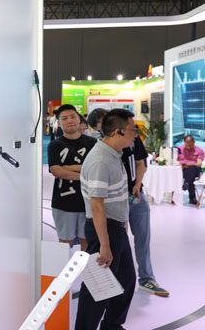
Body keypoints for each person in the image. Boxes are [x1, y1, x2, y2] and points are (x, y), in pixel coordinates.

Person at [75, 109, 137, 330]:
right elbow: (96, 205)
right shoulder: (101, 160)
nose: (135, 134)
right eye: (132, 129)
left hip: (115, 228)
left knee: (126, 280)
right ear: (118, 131)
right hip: (104, 229)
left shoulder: (113, 154)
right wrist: (105, 244)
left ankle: (112, 325)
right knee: (97, 288)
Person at [121, 127, 170, 297]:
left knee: (143, 238)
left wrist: (136, 185)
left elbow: (141, 164)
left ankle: (147, 278)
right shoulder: (104, 144)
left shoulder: (134, 140)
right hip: (114, 198)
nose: (134, 130)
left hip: (136, 195)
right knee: (118, 240)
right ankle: (117, 279)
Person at [47, 104, 97, 250]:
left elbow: (94, 168)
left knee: (87, 241)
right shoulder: (54, 145)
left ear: (79, 119)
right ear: (59, 123)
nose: (69, 121)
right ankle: (64, 267)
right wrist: (83, 174)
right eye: (64, 118)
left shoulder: (92, 143)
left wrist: (67, 167)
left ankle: (86, 267)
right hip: (63, 202)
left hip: (88, 202)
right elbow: (56, 171)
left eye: (73, 116)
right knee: (64, 242)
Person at [178, 135, 204, 205]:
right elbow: (175, 160)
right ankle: (192, 198)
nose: (189, 147)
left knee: (192, 169)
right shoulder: (179, 149)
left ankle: (186, 183)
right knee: (190, 177)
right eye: (187, 145)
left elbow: (199, 164)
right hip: (182, 169)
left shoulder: (199, 150)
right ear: (184, 142)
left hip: (194, 170)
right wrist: (180, 165)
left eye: (191, 145)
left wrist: (190, 164)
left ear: (194, 142)